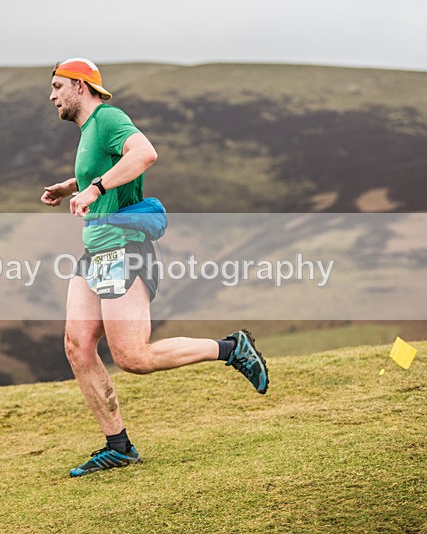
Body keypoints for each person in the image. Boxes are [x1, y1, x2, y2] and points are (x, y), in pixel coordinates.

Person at [42, 58, 268, 477]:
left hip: (124, 248)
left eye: (58, 86)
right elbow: (107, 168)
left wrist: (94, 188)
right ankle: (118, 446)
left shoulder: (108, 117)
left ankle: (231, 348)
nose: (52, 96)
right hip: (96, 250)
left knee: (133, 357)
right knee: (77, 345)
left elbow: (144, 153)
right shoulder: (89, 131)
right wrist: (70, 185)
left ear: (80, 85)